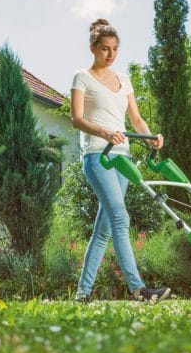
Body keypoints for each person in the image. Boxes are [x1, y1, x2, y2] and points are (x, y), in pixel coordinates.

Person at [70, 18, 170, 303]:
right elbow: (77, 119)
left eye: (115, 49)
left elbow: (135, 119)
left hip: (122, 158)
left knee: (103, 231)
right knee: (120, 218)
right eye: (104, 49)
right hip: (97, 156)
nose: (110, 54)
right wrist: (104, 131)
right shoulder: (82, 78)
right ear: (93, 48)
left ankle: (82, 293)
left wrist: (150, 137)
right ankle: (138, 289)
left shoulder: (124, 79)